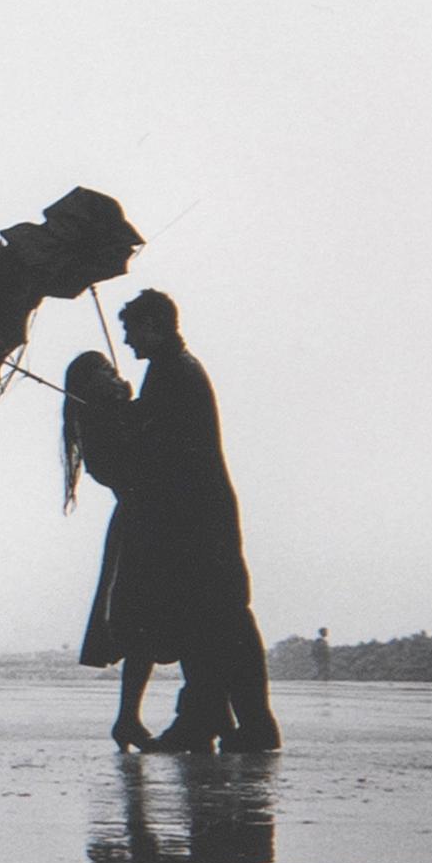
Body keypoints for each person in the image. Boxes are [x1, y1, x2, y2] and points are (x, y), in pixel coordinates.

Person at [112, 289, 281, 753]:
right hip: (204, 515)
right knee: (220, 621)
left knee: (209, 622)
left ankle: (211, 721)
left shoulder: (172, 373)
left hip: (195, 520)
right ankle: (234, 721)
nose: (127, 341)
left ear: (154, 326)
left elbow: (162, 448)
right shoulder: (174, 369)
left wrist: (126, 416)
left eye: (131, 330)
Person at [63, 350, 167, 751]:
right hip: (140, 528)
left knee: (141, 625)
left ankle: (128, 718)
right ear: (90, 383)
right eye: (105, 371)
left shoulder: (101, 419)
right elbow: (135, 464)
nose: (114, 375)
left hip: (138, 524)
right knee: (139, 625)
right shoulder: (98, 423)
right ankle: (127, 718)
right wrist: (132, 411)